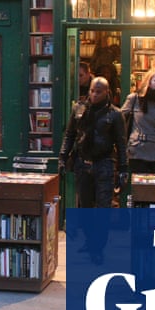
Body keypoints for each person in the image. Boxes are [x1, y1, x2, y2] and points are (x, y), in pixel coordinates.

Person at [60, 77, 127, 211]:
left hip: (104, 162)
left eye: (99, 92)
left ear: (106, 92)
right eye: (92, 91)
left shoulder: (115, 114)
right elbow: (70, 134)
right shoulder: (79, 109)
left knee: (103, 205)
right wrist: (63, 157)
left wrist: (123, 168)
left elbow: (121, 143)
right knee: (85, 205)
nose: (94, 94)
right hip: (83, 161)